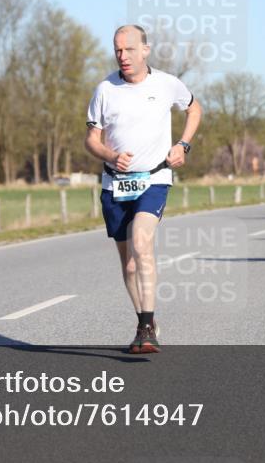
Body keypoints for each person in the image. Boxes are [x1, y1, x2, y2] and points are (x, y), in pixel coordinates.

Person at [85, 25, 202, 353]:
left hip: (154, 178)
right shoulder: (105, 89)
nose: (123, 56)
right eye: (118, 50)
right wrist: (110, 155)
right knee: (130, 263)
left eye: (129, 49)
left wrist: (183, 145)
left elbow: (195, 108)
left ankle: (146, 326)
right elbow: (91, 139)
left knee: (142, 241)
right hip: (115, 184)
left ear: (145, 50)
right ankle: (144, 318)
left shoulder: (166, 84)